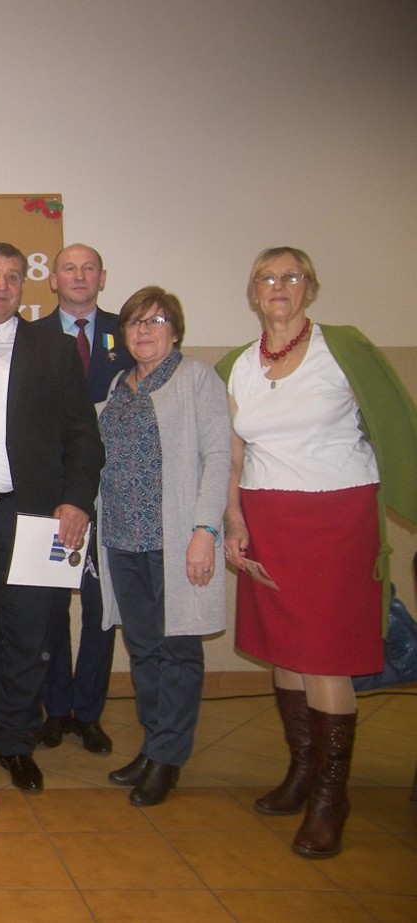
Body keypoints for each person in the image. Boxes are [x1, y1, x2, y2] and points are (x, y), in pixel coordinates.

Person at [219, 247, 417, 857]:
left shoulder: (344, 348)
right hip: (268, 519)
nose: (279, 286)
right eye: (267, 277)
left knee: (325, 657)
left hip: (336, 519)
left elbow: (392, 424)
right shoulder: (238, 365)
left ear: (309, 287)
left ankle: (332, 797)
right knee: (286, 648)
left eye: (291, 276)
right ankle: (302, 772)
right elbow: (233, 457)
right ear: (254, 291)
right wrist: (233, 519)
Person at [0, 241, 103, 793]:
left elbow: (83, 436)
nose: (0, 285)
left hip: (33, 516)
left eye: (11, 277)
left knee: (28, 631)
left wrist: (76, 499)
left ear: (22, 288)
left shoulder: (53, 349)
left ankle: (17, 739)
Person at [97, 286, 230, 806]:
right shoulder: (119, 385)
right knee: (144, 647)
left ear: (175, 330)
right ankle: (153, 744)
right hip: (122, 537)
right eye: (135, 322)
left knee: (178, 649)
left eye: (156, 321)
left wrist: (204, 531)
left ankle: (168, 758)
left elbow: (218, 457)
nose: (144, 331)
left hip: (176, 539)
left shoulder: (197, 379)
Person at [35, 244, 134, 754]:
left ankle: (89, 711)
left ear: (102, 277)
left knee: (100, 604)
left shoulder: (129, 332)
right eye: (69, 269)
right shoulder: (30, 337)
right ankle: (54, 708)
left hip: (112, 491)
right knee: (50, 603)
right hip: (52, 492)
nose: (79, 276)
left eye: (88, 268)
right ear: (52, 279)